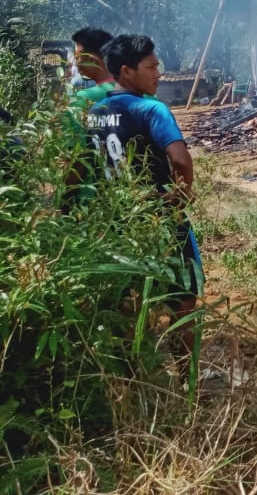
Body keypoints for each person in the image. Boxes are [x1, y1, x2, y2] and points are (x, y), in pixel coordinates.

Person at [86, 34, 201, 356]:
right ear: (126, 71)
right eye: (151, 67)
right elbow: (180, 159)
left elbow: (80, 168)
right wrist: (180, 197)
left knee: (129, 300)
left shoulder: (96, 111)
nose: (158, 73)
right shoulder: (151, 109)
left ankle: (135, 377)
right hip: (160, 219)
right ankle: (188, 379)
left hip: (116, 221)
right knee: (184, 300)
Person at [70, 27, 115, 107]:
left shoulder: (82, 98)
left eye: (78, 58)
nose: (76, 64)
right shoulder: (139, 95)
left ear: (91, 60)